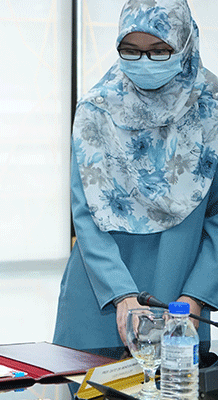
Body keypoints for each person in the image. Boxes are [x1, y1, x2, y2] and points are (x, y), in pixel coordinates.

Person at [53, 0, 218, 351]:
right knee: (85, 387)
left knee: (176, 385)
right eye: (130, 50)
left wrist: (195, 297)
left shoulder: (212, 111)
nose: (144, 62)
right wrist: (121, 293)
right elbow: (86, 214)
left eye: (159, 50)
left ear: (184, 44)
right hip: (98, 299)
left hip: (180, 305)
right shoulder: (97, 108)